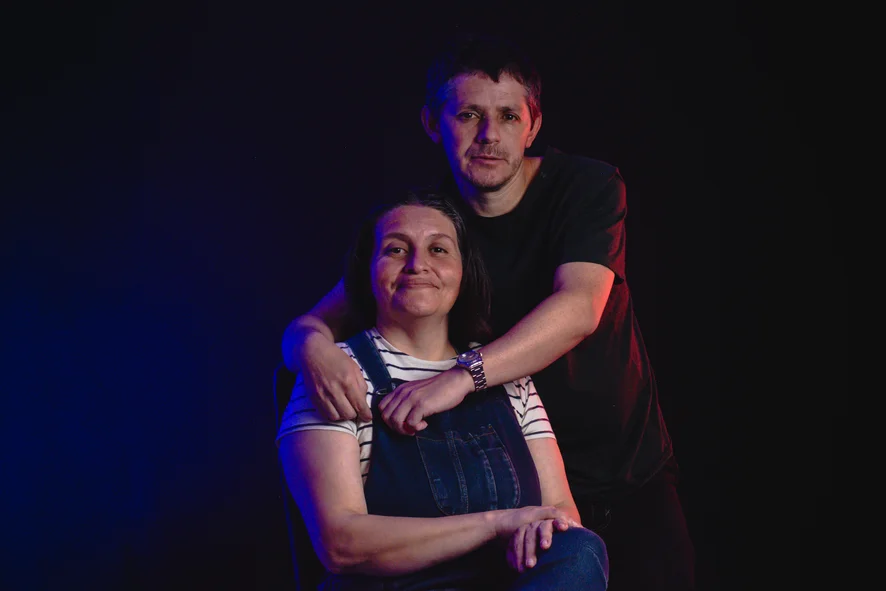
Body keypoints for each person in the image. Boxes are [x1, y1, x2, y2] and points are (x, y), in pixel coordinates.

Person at [282, 35, 695, 590]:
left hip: (620, 466)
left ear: (534, 124)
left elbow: (579, 308)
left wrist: (462, 377)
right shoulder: (434, 228)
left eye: (508, 116)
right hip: (504, 475)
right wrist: (313, 349)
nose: (489, 136)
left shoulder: (586, 187)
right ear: (433, 123)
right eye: (468, 114)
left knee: (590, 559)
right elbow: (316, 320)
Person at [276, 193, 609, 590]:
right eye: (396, 249)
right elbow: (341, 544)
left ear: (464, 270)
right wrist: (497, 524)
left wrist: (544, 530)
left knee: (579, 549)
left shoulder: (507, 373)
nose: (417, 264)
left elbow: (559, 514)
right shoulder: (335, 375)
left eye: (438, 249)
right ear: (366, 270)